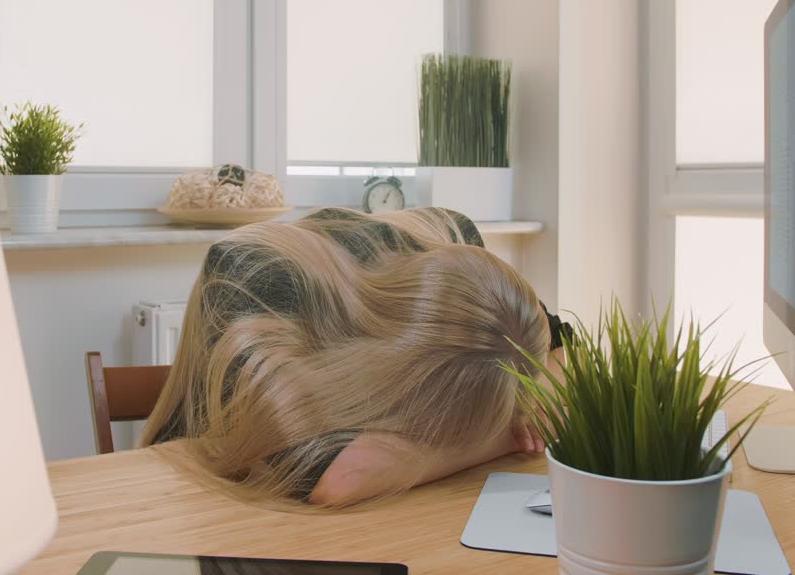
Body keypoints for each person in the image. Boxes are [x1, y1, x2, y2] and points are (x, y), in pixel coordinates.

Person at [141, 207, 570, 507]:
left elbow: (562, 346)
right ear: (416, 368)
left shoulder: (452, 242)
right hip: (195, 512)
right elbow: (336, 479)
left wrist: (527, 400)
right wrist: (504, 435)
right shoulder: (253, 280)